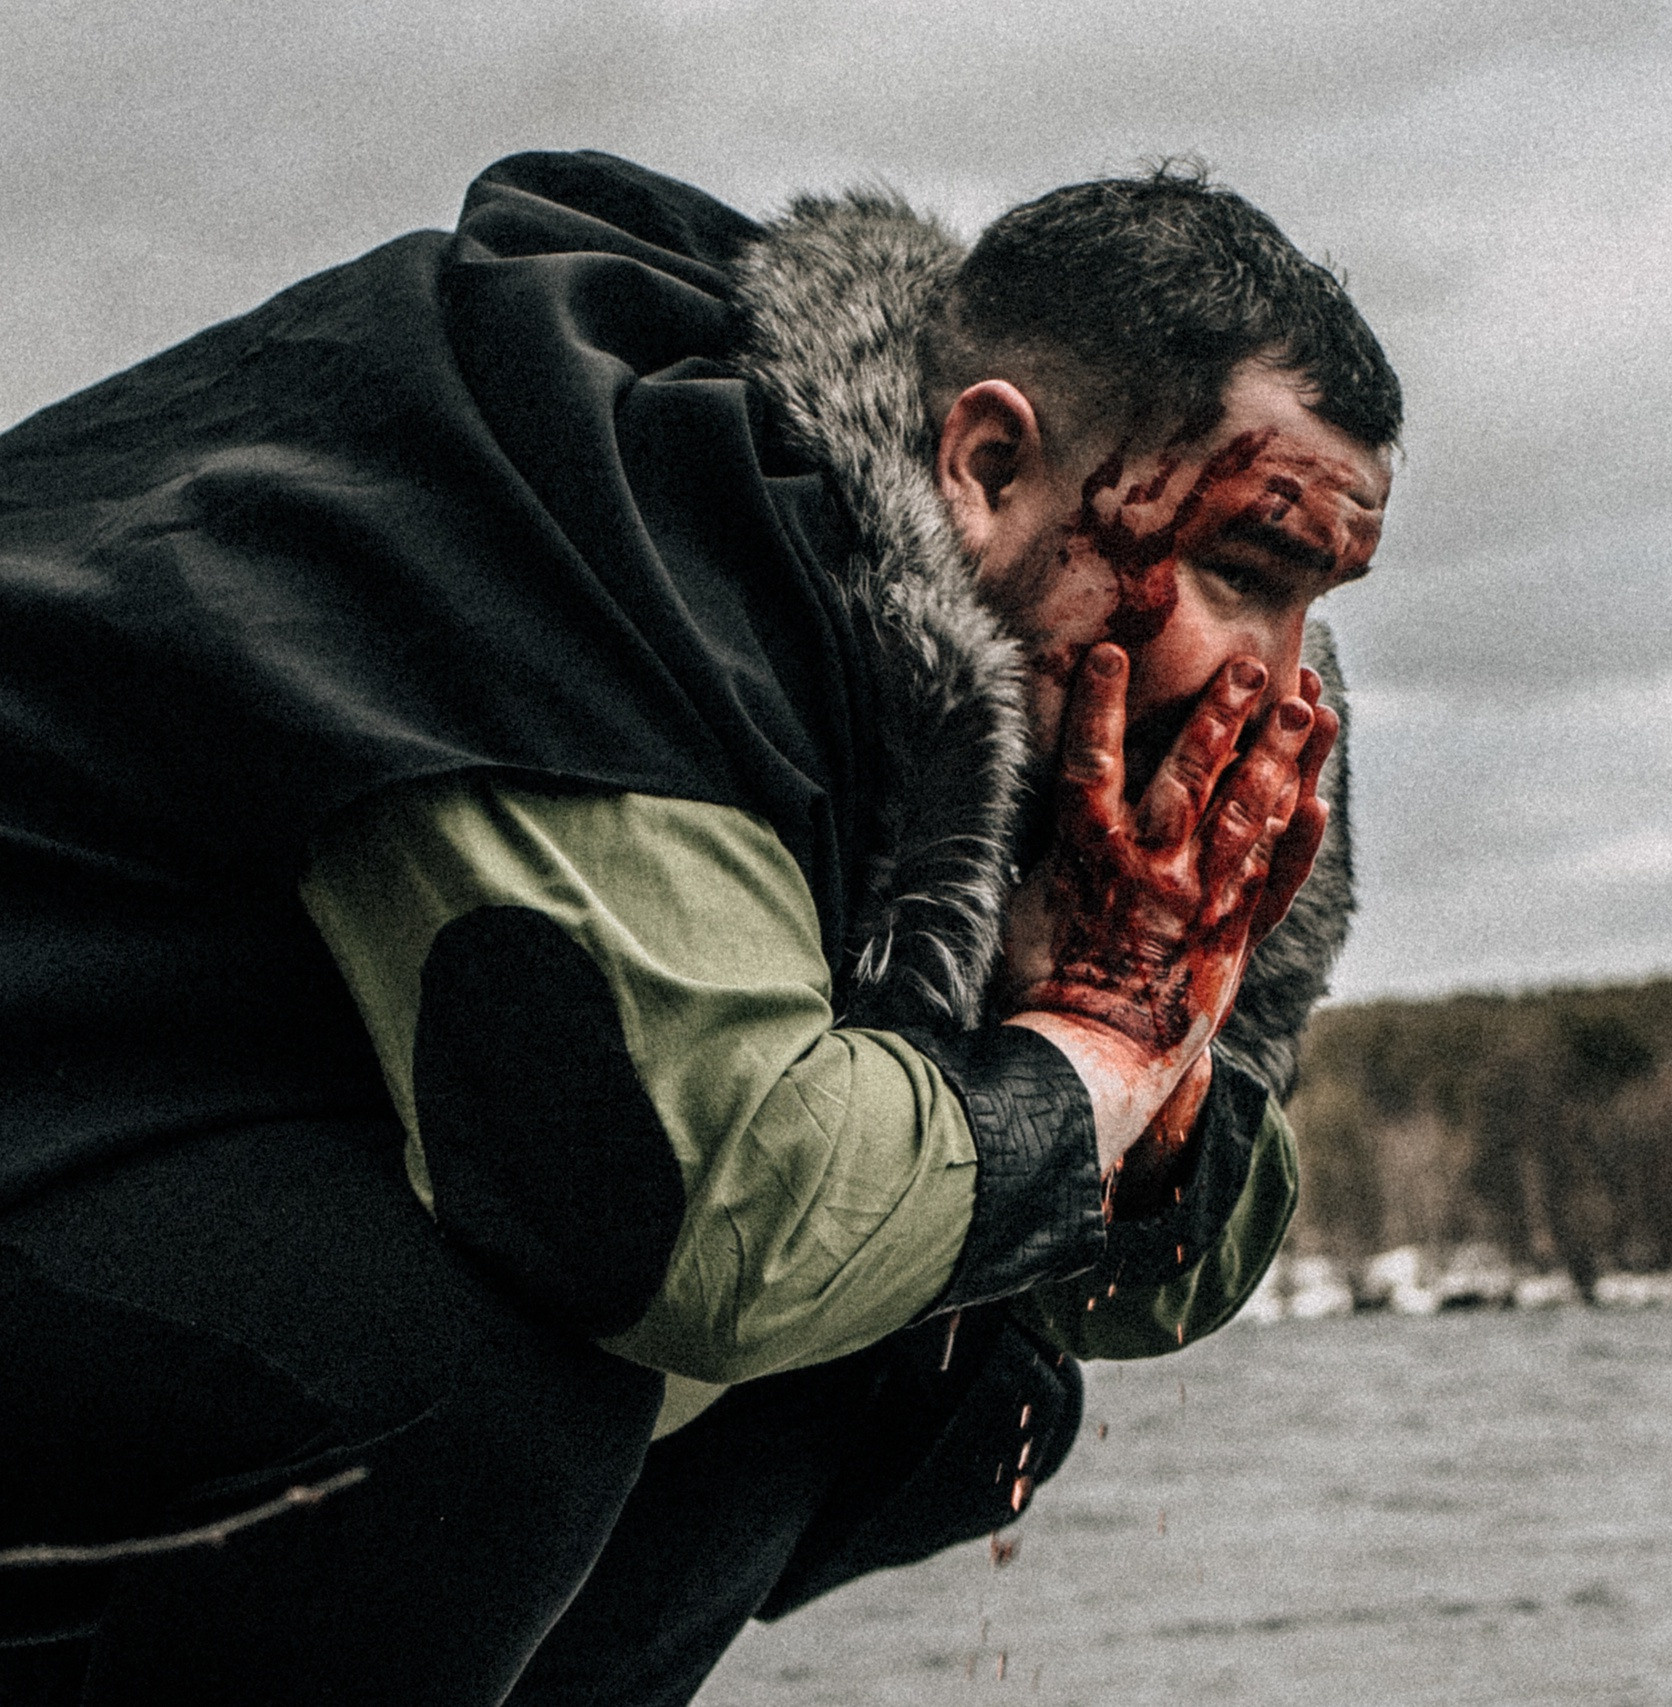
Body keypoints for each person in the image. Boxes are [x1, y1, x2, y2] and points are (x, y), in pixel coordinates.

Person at [0, 149, 1398, 1704]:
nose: (1276, 671)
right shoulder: (612, 509)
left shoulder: (1093, 707)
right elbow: (692, 1218)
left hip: (182, 1147)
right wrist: (1093, 1045)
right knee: (484, 1388)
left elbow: (1117, 1279)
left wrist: (1132, 1055)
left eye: (1312, 598)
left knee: (931, 1364)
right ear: (988, 468)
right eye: (1238, 570)